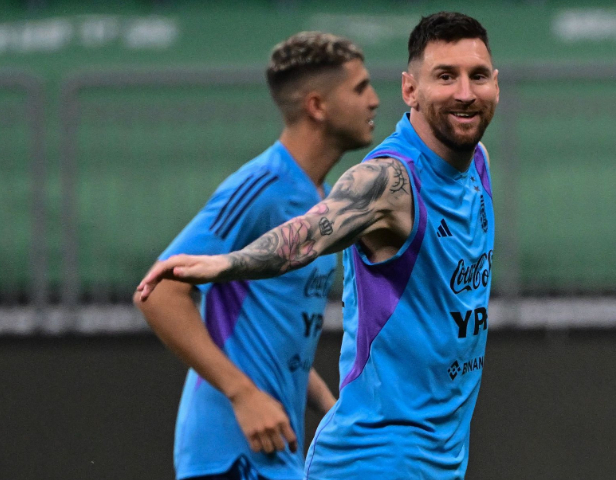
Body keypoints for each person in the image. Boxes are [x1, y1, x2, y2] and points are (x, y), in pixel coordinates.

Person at [138, 12, 498, 480]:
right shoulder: (385, 180)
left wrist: (328, 401)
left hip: (414, 454)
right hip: (341, 458)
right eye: (446, 77)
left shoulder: (477, 166)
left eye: (478, 76)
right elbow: (308, 235)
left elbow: (280, 329)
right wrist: (225, 266)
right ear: (411, 90)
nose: (465, 92)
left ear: (496, 83)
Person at [133, 31, 379, 480]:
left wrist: (330, 408)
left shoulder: (316, 197)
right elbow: (159, 293)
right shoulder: (261, 187)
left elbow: (272, 333)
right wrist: (243, 394)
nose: (375, 100)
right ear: (317, 106)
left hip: (275, 450)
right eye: (360, 88)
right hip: (230, 453)